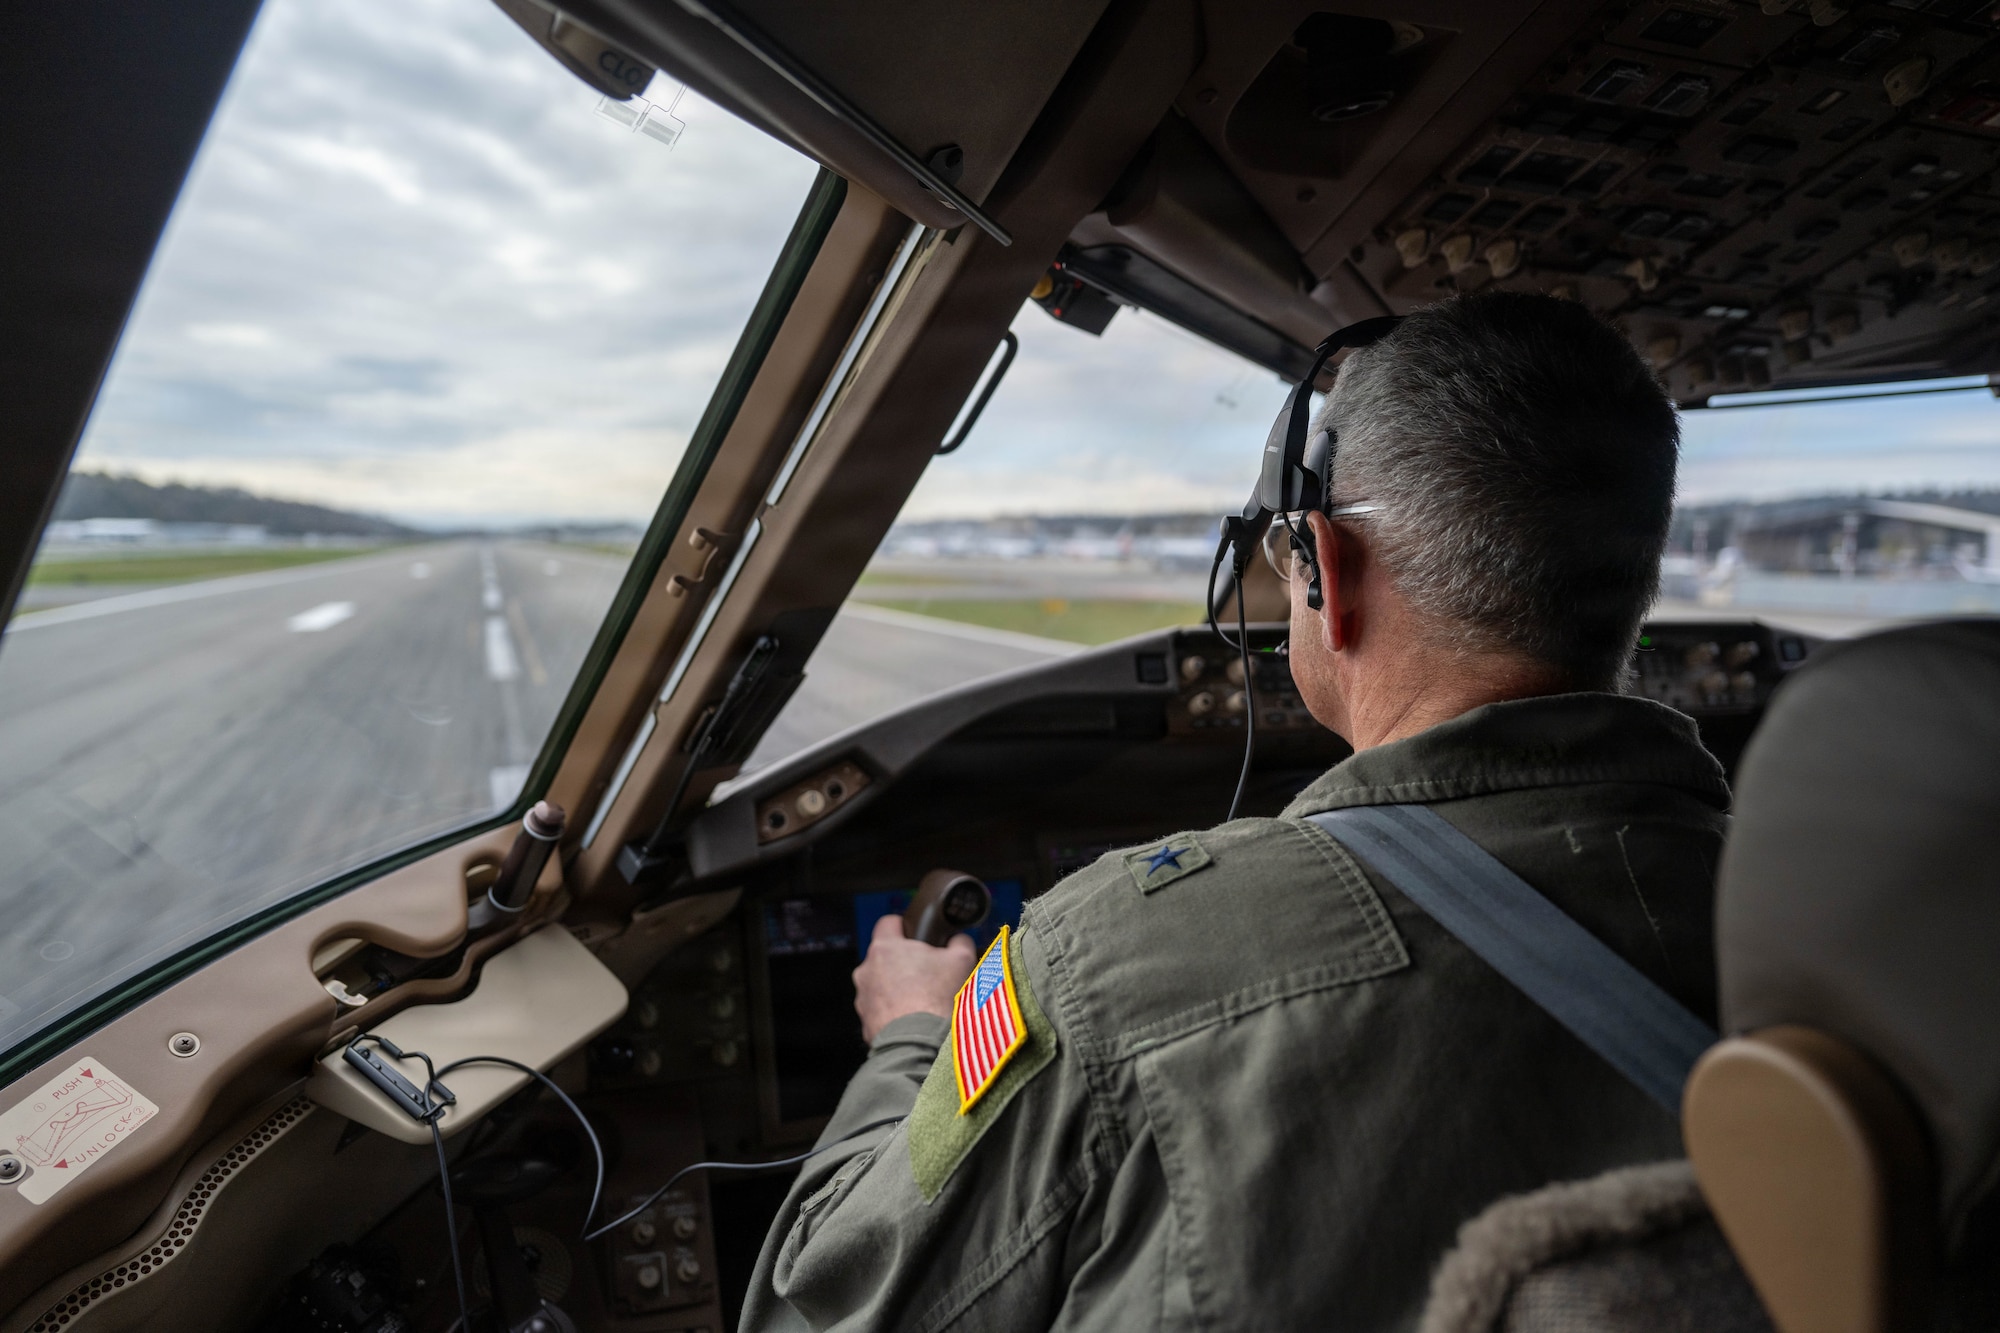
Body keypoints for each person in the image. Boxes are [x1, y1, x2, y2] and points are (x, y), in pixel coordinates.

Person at [739, 291, 1728, 1331]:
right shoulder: (1831, 916)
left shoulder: (1105, 960)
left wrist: (909, 1038)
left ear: (1326, 571)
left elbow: (815, 1306)